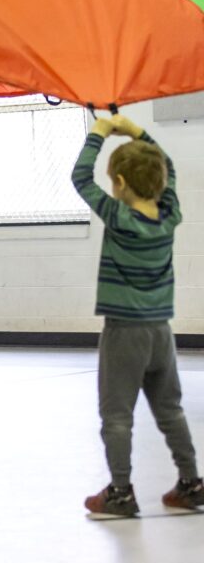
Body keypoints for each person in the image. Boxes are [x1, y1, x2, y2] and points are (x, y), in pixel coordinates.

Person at [72, 114, 203, 518]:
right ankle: (192, 483)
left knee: (116, 415)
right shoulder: (169, 216)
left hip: (123, 333)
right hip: (161, 333)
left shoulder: (120, 217)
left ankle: (121, 492)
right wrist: (135, 132)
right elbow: (171, 168)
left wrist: (98, 133)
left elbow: (80, 177)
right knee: (171, 409)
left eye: (114, 181)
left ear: (122, 185)